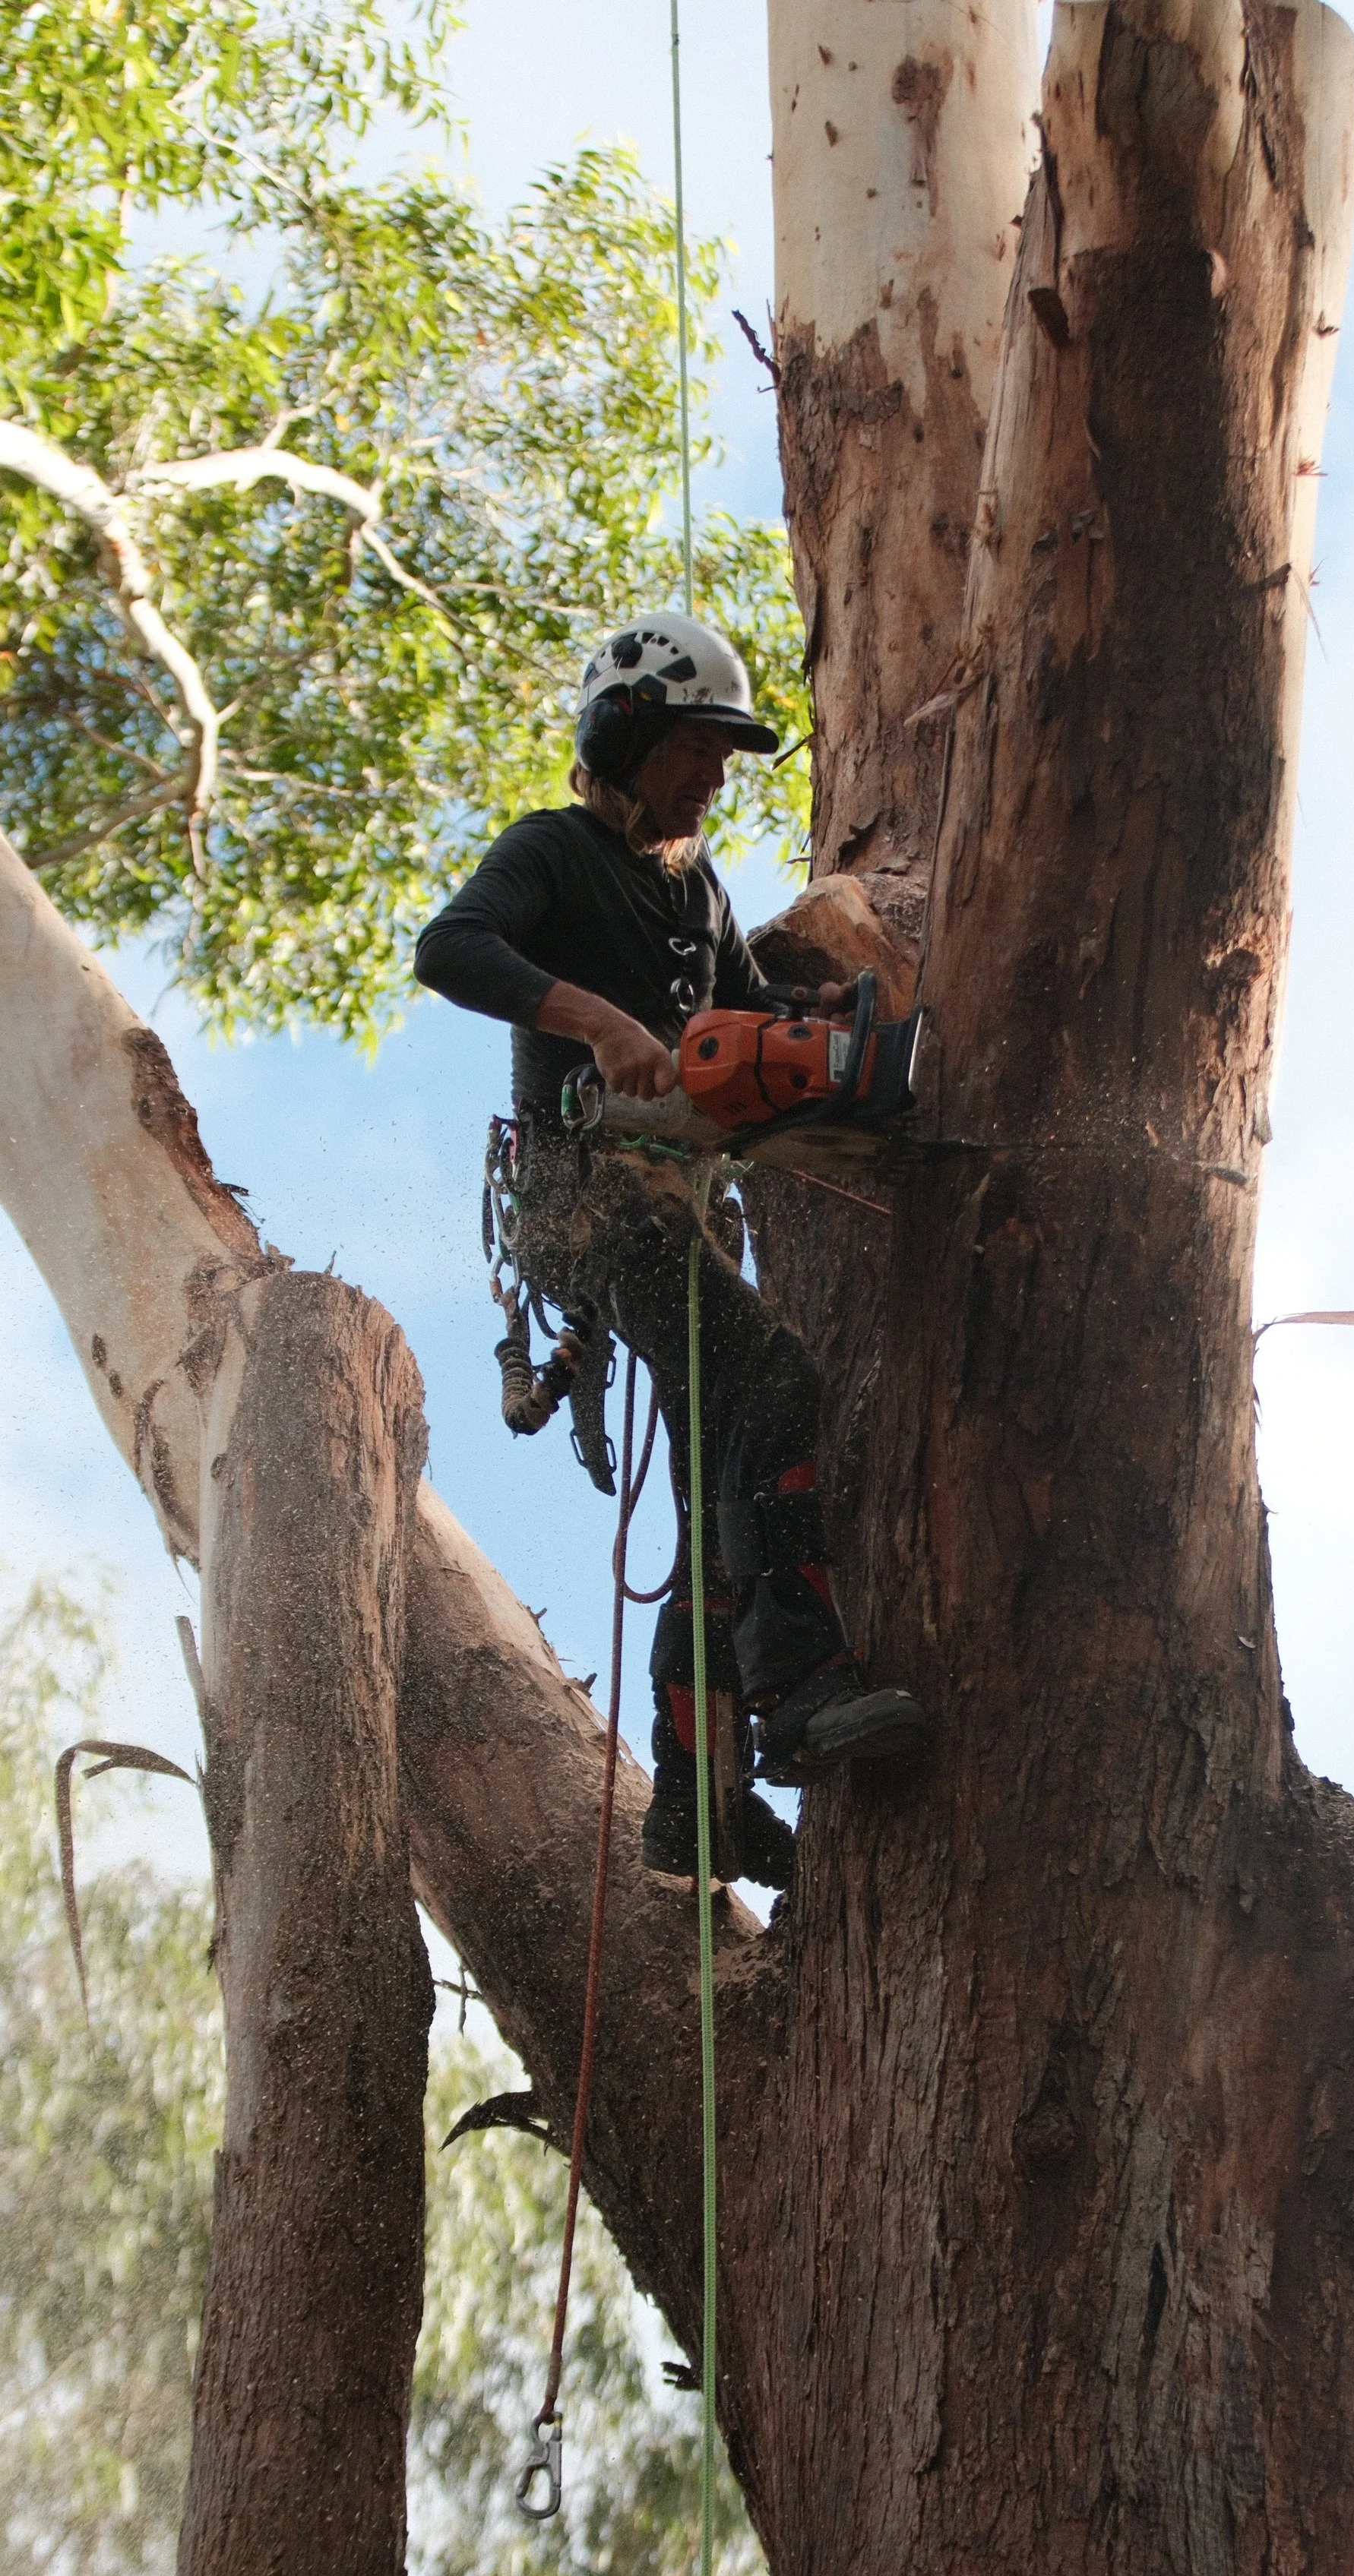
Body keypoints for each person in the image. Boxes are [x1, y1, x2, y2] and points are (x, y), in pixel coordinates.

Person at [414, 612, 925, 1889]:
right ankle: (802, 1687)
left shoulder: (696, 888)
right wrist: (594, 1022)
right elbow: (449, 948)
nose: (712, 778)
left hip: (675, 1198)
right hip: (580, 1195)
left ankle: (696, 1797)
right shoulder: (555, 854)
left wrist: (803, 1025)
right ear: (626, 733)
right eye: (696, 749)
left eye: (723, 756)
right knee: (774, 1386)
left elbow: (741, 1002)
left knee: (717, 1481)